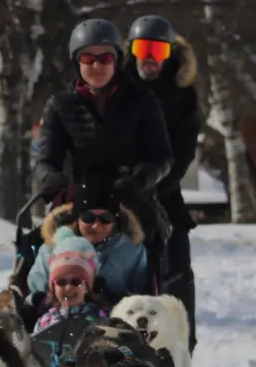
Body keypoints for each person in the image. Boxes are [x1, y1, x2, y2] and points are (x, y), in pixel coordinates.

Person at [31, 19, 173, 250]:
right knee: (38, 247)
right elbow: (46, 157)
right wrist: (50, 177)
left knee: (151, 240)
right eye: (88, 58)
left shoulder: (142, 100)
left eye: (105, 58)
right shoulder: (59, 104)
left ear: (116, 61)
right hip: (76, 198)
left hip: (128, 196)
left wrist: (139, 179)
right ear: (77, 62)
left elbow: (160, 156)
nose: (96, 66)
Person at [127, 15, 202, 352]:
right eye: (143, 48)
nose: (150, 57)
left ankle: (182, 345)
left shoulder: (182, 96)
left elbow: (183, 152)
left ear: (170, 52)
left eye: (158, 49)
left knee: (176, 277)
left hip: (165, 195)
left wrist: (153, 188)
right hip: (122, 197)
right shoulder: (119, 88)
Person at [26, 199, 151, 304]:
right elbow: (36, 290)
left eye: (105, 218)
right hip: (57, 319)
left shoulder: (131, 250)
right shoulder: (52, 248)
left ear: (114, 220)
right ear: (77, 218)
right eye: (88, 218)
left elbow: (141, 294)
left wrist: (113, 298)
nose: (96, 226)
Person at [34, 237, 108, 332]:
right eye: (61, 282)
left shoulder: (100, 318)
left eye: (75, 282)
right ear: (54, 288)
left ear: (86, 288)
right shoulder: (45, 321)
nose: (68, 288)